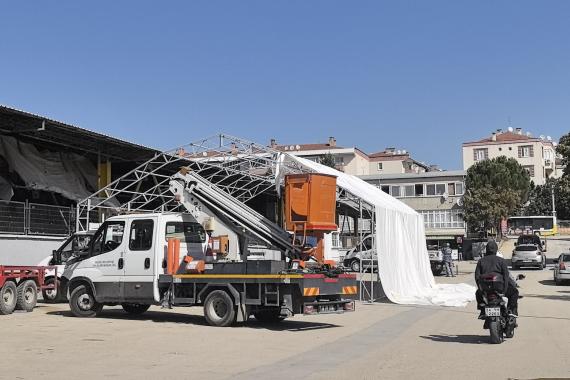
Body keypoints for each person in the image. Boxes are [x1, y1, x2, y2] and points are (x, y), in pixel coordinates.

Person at [475, 241, 519, 318]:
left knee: (477, 293)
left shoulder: (481, 261)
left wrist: (481, 290)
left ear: (486, 250)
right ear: (496, 250)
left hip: (486, 289)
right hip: (500, 288)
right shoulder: (501, 260)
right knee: (514, 292)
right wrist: (504, 290)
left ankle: (482, 310)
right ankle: (512, 310)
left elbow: (477, 277)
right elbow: (506, 276)